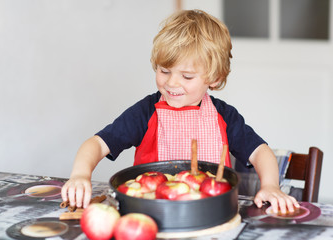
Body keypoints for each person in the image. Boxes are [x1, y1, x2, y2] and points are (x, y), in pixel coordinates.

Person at [61, 9, 299, 213]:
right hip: (151, 215)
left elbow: (261, 153)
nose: (172, 83)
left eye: (186, 76)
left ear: (215, 78)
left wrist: (270, 186)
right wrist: (81, 174)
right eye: (164, 71)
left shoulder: (224, 116)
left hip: (212, 214)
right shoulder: (146, 112)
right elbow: (97, 144)